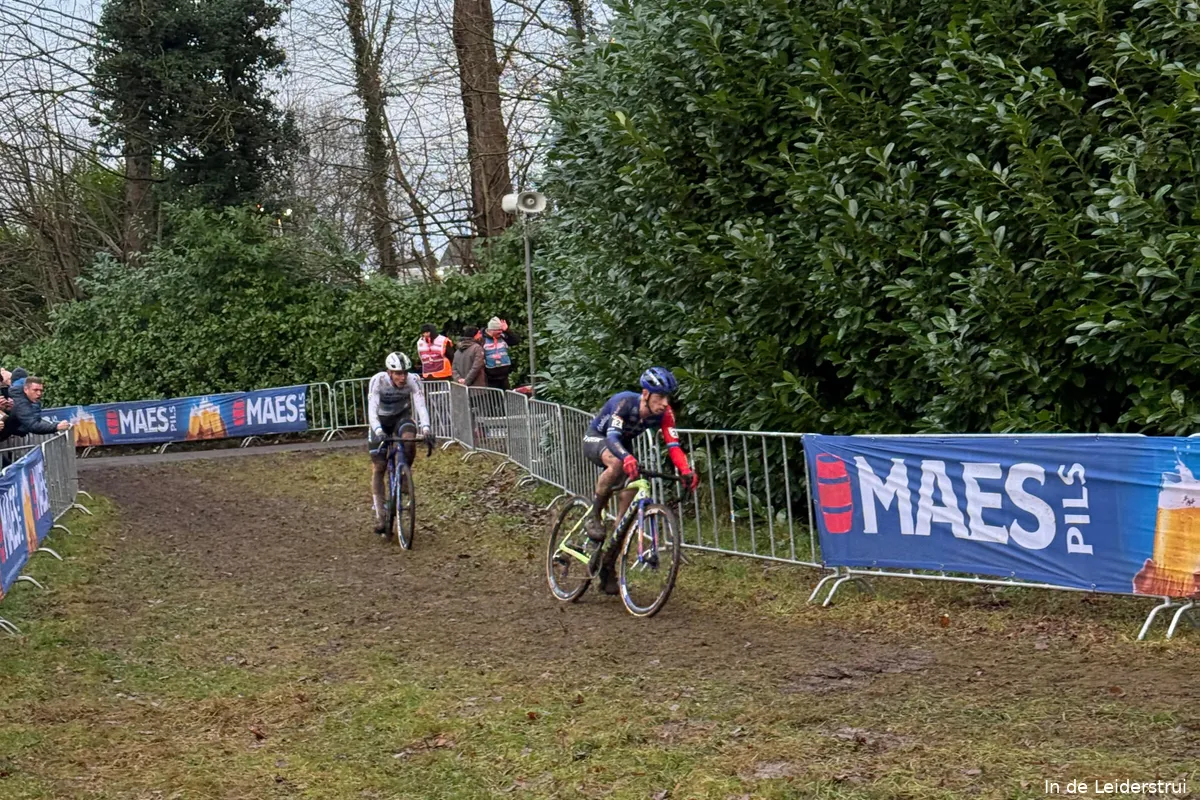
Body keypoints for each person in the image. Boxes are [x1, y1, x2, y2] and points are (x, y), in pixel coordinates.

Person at [581, 367, 699, 594]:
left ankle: (608, 567)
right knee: (617, 463)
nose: (665, 403)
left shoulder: (665, 414)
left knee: (626, 514)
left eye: (668, 397)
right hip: (599, 439)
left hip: (623, 446)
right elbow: (613, 436)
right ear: (645, 394)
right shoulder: (624, 402)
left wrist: (686, 470)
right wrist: (626, 458)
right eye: (660, 397)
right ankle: (595, 514)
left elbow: (673, 446)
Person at [367, 352, 433, 537]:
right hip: (380, 421)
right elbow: (372, 409)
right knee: (379, 467)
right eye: (397, 373)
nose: (402, 377)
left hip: (401, 418)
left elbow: (420, 404)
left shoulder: (413, 380)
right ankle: (381, 516)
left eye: (404, 373)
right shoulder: (378, 381)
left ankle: (404, 475)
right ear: (389, 372)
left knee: (409, 438)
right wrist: (379, 431)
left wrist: (426, 428)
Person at [481, 317, 520, 391]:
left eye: (501, 330)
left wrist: (507, 330)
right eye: (498, 331)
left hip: (504, 375)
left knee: (506, 397)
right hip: (490, 377)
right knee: (494, 399)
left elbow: (516, 341)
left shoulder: (503, 337)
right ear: (491, 330)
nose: (500, 332)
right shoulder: (482, 340)